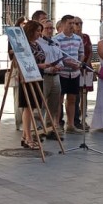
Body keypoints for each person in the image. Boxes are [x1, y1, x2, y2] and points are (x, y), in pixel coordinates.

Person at [54, 15, 84, 134]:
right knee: (59, 100)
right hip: (62, 73)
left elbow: (81, 53)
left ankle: (70, 124)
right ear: (63, 25)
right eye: (70, 23)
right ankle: (56, 124)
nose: (72, 26)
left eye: (74, 23)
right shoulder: (57, 39)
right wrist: (67, 63)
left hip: (75, 73)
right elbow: (56, 56)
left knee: (72, 99)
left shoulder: (78, 39)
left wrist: (80, 63)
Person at [17, 20, 44, 149]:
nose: (39, 33)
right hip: (27, 78)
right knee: (28, 107)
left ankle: (24, 136)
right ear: (30, 31)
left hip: (37, 77)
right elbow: (26, 61)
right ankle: (28, 138)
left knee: (32, 107)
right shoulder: (24, 45)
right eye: (37, 30)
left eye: (40, 30)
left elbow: (41, 56)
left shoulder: (37, 44)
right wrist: (40, 64)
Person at [35, 19, 64, 135]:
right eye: (46, 28)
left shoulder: (55, 42)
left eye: (51, 28)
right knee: (40, 103)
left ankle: (50, 127)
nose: (49, 31)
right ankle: (38, 128)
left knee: (54, 103)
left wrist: (60, 66)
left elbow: (60, 57)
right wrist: (49, 68)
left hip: (56, 76)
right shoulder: (38, 43)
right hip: (44, 76)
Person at [73, 17, 93, 131]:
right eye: (76, 23)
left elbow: (89, 51)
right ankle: (74, 119)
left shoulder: (85, 37)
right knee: (75, 96)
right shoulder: (72, 37)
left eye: (81, 23)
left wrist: (86, 63)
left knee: (84, 94)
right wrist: (79, 64)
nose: (79, 25)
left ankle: (83, 118)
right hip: (75, 67)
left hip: (86, 67)